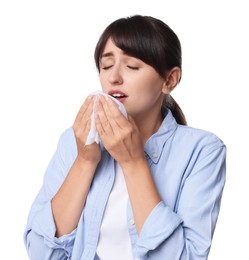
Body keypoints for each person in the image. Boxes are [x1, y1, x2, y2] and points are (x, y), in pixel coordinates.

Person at [24, 15, 226, 260]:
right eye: (106, 66)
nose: (114, 78)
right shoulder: (74, 141)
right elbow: (41, 253)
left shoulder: (202, 150)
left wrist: (133, 163)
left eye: (131, 66)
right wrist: (85, 161)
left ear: (169, 80)